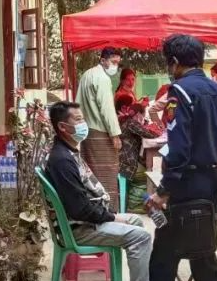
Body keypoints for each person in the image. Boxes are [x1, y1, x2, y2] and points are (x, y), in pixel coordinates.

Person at [147, 34, 217, 281]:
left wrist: (163, 190)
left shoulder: (179, 92)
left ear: (174, 62)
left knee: (163, 258)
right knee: (203, 253)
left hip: (186, 184)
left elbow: (179, 150)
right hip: (212, 181)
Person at [44, 101, 153, 281]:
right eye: (78, 120)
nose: (84, 124)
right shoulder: (62, 161)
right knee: (141, 237)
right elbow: (80, 209)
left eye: (83, 119)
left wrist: (110, 215)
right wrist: (111, 217)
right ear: (63, 127)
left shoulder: (68, 152)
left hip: (85, 221)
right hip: (79, 228)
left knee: (136, 221)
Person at [76, 47, 124, 210]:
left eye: (118, 63)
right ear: (103, 60)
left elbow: (77, 104)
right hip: (101, 133)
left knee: (90, 176)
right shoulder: (103, 78)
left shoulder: (86, 75)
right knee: (107, 177)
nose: (115, 66)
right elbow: (107, 109)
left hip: (87, 132)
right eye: (113, 62)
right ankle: (109, 212)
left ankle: (93, 210)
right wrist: (115, 135)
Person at [116, 95, 162, 211]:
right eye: (143, 115)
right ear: (138, 114)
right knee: (149, 174)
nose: (144, 117)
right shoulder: (131, 123)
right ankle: (143, 206)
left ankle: (139, 204)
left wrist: (144, 122)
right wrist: (159, 130)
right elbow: (150, 134)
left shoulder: (126, 121)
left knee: (149, 168)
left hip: (123, 161)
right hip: (127, 165)